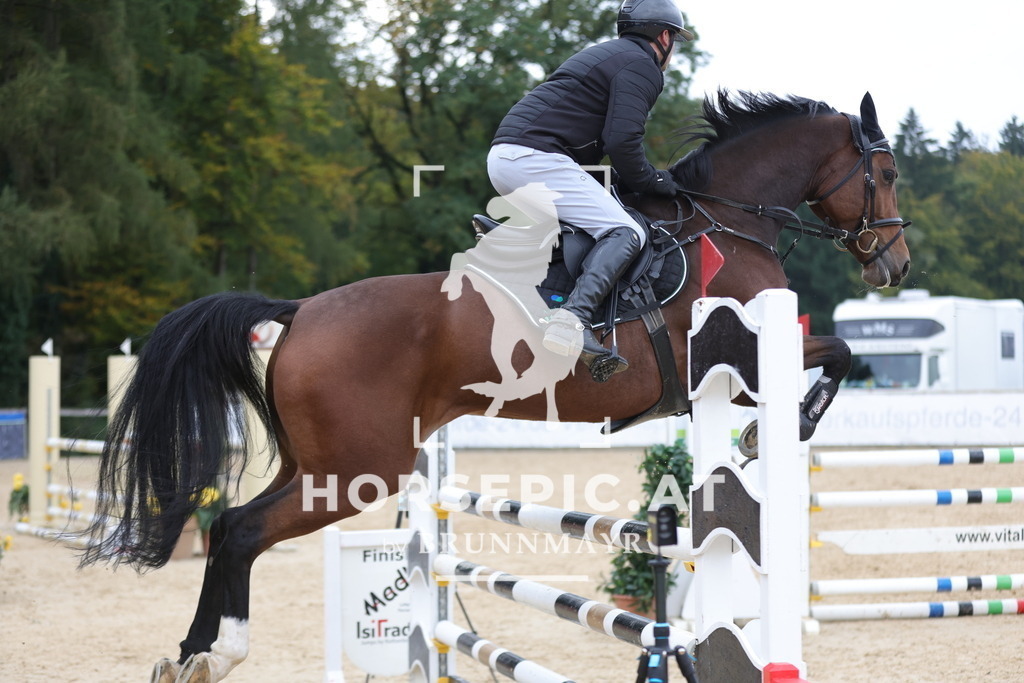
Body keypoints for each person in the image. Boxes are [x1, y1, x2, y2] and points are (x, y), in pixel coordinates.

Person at [487, 0, 692, 383]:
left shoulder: (609, 55)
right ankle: (572, 321)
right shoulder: (641, 66)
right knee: (627, 231)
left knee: (605, 214)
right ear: (664, 36)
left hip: (512, 157)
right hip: (537, 159)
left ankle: (525, 257)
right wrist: (655, 181)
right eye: (674, 41)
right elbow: (623, 141)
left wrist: (631, 182)